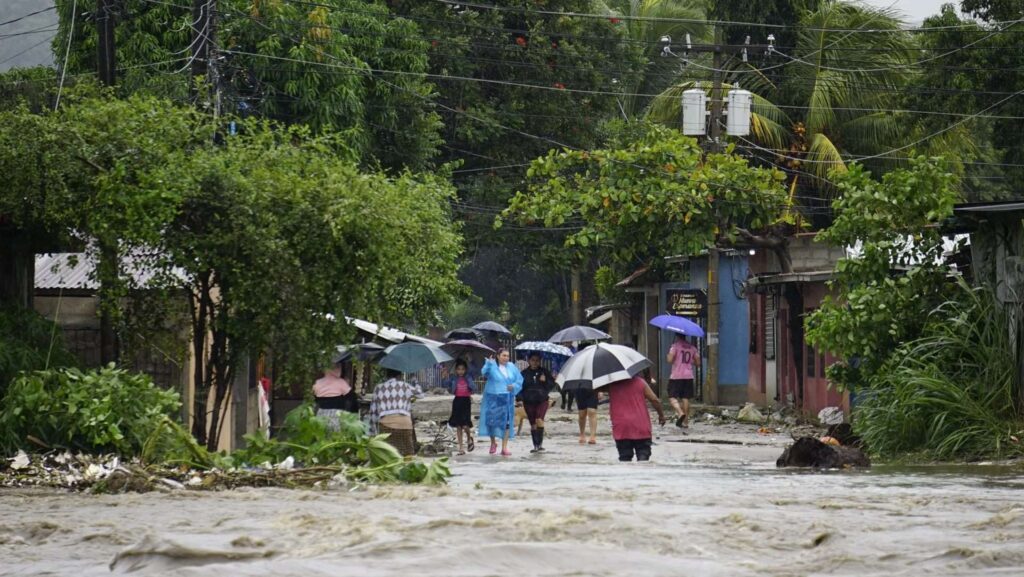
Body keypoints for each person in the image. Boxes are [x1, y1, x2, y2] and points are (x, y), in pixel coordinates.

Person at [607, 375, 667, 462]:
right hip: (641, 425)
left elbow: (595, 390)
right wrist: (661, 415)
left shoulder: (611, 385)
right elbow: (654, 400)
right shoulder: (640, 382)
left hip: (621, 428)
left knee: (624, 458)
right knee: (643, 457)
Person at [479, 348, 523, 456]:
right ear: (498, 356)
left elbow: (519, 379)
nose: (506, 358)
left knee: (507, 423)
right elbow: (484, 373)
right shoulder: (492, 365)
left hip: (507, 399)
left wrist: (513, 386)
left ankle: (504, 447)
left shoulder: (512, 367)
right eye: (504, 355)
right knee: (491, 422)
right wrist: (488, 364)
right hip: (493, 398)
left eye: (507, 356)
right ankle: (493, 443)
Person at [368, 369, 423, 456]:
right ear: (399, 376)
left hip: (386, 426)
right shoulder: (405, 386)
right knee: (408, 454)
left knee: (389, 456)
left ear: (386, 375)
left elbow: (373, 412)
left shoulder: (379, 388)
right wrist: (415, 380)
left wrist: (372, 432)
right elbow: (420, 394)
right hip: (405, 425)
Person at [519, 352, 555, 453]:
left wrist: (545, 381)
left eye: (537, 360)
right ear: (529, 361)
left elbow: (552, 385)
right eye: (533, 360)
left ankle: (540, 444)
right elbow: (519, 387)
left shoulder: (544, 371)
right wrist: (520, 399)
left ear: (540, 361)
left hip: (542, 400)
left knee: (539, 419)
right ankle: (535, 445)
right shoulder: (524, 373)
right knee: (533, 424)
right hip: (528, 401)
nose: (535, 362)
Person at [667, 333, 701, 428]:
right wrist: (690, 362)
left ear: (677, 336)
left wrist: (669, 354)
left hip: (676, 375)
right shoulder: (692, 348)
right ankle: (685, 422)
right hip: (688, 375)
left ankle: (680, 412)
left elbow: (670, 360)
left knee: (672, 396)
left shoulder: (675, 346)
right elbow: (698, 363)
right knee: (685, 398)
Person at [313, 362, 358, 432]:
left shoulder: (317, 383)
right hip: (337, 415)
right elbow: (352, 398)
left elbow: (314, 398)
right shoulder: (341, 382)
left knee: (322, 435)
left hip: (321, 415)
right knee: (336, 437)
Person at [443, 360, 476, 454]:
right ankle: (461, 448)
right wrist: (445, 376)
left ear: (466, 370)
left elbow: (473, 387)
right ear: (456, 370)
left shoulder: (469, 377)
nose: (460, 371)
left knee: (465, 425)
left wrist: (469, 358)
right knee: (458, 426)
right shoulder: (454, 378)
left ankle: (469, 439)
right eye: (458, 369)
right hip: (457, 401)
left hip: (466, 402)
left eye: (463, 369)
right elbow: (446, 384)